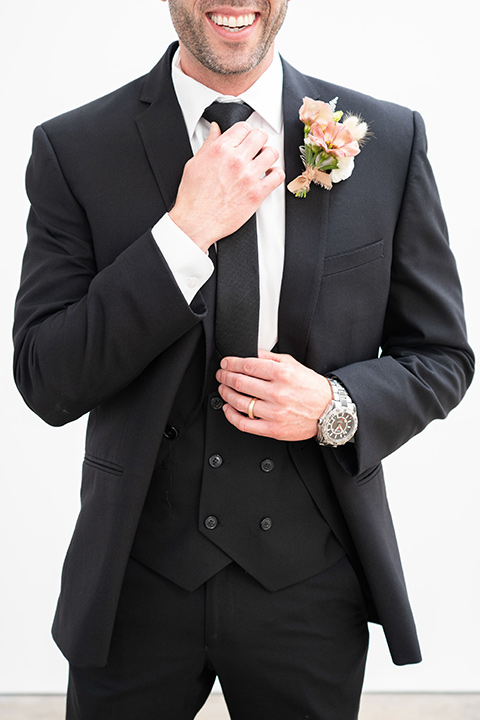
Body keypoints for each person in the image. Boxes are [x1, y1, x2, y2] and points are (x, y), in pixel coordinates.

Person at [13, 0, 474, 718]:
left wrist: (335, 406)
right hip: (134, 581)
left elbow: (441, 356)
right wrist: (184, 233)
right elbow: (47, 379)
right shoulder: (76, 146)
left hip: (312, 584)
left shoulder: (386, 139)